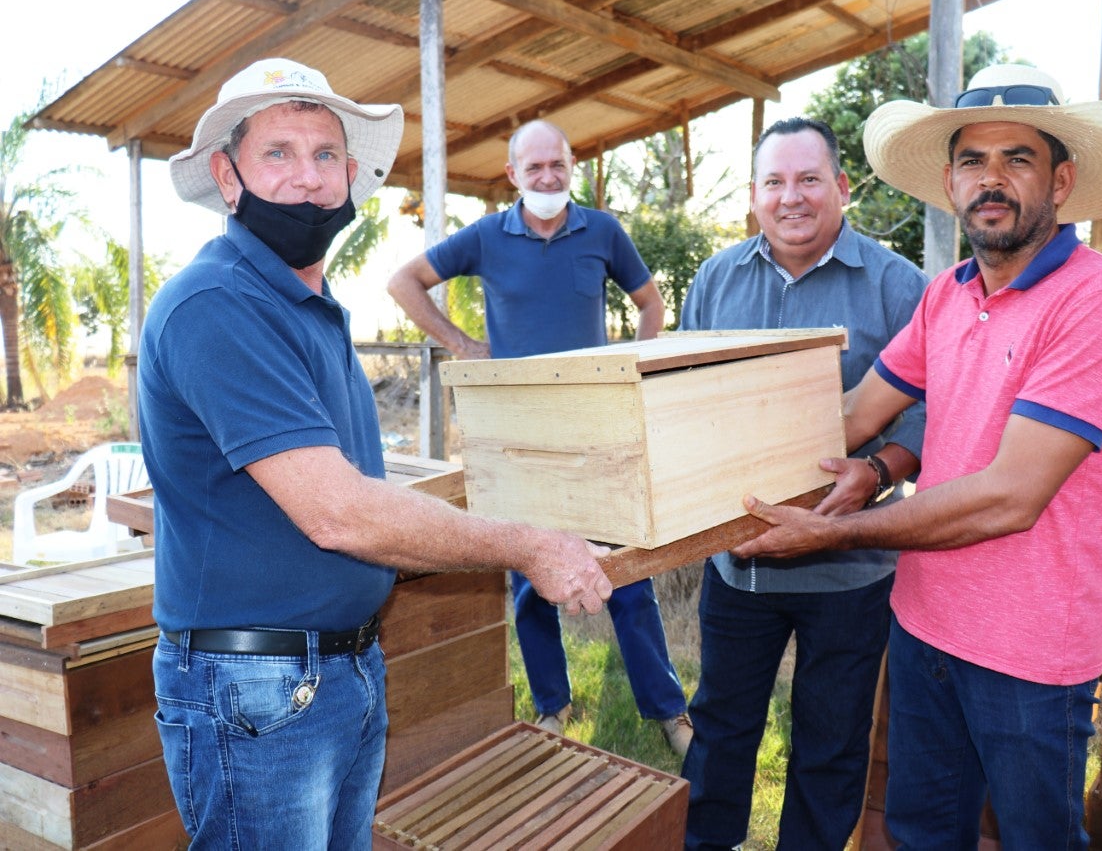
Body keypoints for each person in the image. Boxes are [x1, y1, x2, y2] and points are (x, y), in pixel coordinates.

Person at [140, 58, 613, 850]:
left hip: (339, 667)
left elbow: (356, 488)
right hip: (255, 686)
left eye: (326, 156)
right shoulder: (219, 302)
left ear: (352, 178)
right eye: (278, 154)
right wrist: (526, 543)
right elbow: (338, 511)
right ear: (227, 177)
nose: (307, 178)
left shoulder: (308, 305)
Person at [730, 65, 1102, 847]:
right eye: (973, 161)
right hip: (925, 626)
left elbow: (1010, 496)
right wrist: (721, 469)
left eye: (1017, 159)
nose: (991, 180)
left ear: (1061, 180)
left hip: (1030, 652)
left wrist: (836, 530)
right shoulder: (946, 294)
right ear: (949, 181)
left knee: (1037, 837)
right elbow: (857, 412)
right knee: (921, 832)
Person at [386, 119, 692, 754]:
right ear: (513, 175)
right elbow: (403, 283)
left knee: (627, 570)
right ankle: (552, 704)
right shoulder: (487, 236)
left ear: (571, 164)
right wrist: (465, 346)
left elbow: (650, 303)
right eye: (535, 169)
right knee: (529, 578)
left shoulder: (602, 231)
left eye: (557, 165)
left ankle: (667, 710)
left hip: (598, 427)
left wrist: (636, 363)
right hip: (516, 434)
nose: (548, 178)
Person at [676, 117, 928, 850]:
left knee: (831, 742)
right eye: (774, 182)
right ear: (753, 195)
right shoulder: (715, 280)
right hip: (740, 565)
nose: (792, 197)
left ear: (842, 188)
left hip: (851, 568)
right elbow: (684, 397)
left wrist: (878, 470)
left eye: (809, 179)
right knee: (720, 729)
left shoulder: (897, 285)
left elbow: (931, 409)